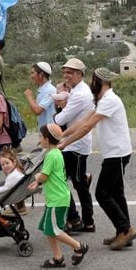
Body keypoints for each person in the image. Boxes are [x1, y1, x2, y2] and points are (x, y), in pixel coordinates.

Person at [57, 68, 136, 250]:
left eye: (94, 80)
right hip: (115, 152)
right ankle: (123, 233)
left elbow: (87, 128)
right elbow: (82, 122)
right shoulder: (102, 100)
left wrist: (65, 143)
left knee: (102, 193)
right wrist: (62, 135)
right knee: (116, 193)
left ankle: (126, 229)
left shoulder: (109, 100)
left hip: (116, 154)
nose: (91, 83)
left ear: (101, 82)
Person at [29, 125, 90, 268]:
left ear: (46, 139)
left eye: (40, 137)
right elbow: (51, 176)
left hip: (58, 199)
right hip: (56, 197)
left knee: (55, 230)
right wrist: (37, 182)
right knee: (47, 228)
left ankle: (78, 246)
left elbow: (44, 176)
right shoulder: (57, 153)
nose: (39, 139)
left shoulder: (51, 155)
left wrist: (37, 178)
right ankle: (58, 257)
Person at [53, 58, 95, 234]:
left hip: (74, 146)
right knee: (79, 183)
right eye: (64, 72)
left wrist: (60, 105)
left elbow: (60, 119)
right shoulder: (78, 91)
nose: (66, 76)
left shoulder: (79, 94)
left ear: (79, 74)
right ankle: (87, 221)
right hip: (75, 144)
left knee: (59, 181)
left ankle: (75, 219)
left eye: (69, 73)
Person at [24, 61, 56, 130]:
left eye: (33, 73)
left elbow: (37, 111)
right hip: (44, 131)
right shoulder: (43, 89)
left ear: (41, 74)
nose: (31, 76)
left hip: (50, 132)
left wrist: (29, 97)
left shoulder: (50, 90)